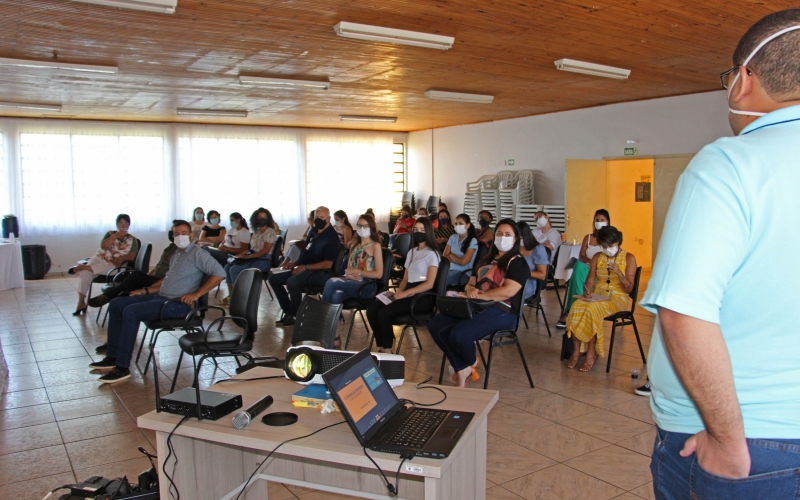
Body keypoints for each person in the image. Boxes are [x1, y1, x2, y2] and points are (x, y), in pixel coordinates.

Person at [643, 10, 800, 498]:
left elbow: (684, 312)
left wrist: (727, 441)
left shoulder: (731, 164)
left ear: (743, 80)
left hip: (752, 441)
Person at [87, 220, 225, 384]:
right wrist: (145, 291)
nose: (179, 236)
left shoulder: (198, 253)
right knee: (117, 303)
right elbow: (166, 280)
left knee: (131, 312)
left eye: (183, 233)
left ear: (190, 235)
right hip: (161, 297)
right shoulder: (177, 254)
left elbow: (219, 273)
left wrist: (196, 294)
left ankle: (122, 367)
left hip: (177, 305)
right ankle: (112, 356)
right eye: (176, 234)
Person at [427, 219, 531, 387]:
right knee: (436, 324)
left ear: (516, 239)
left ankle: (466, 365)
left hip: (503, 311)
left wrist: (482, 296)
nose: (502, 237)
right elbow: (471, 282)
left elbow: (508, 291)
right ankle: (463, 366)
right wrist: (469, 290)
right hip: (475, 306)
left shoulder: (517, 262)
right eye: (499, 233)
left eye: (507, 234)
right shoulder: (485, 259)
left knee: (459, 335)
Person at [565, 226, 637, 372]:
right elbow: (591, 280)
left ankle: (591, 353)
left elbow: (629, 289)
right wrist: (587, 291)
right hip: (598, 295)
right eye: (604, 246)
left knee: (592, 310)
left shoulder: (629, 258)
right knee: (577, 306)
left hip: (617, 298)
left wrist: (619, 272)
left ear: (618, 242)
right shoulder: (598, 257)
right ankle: (577, 350)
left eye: (610, 246)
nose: (607, 249)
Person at [366, 217, 440, 353]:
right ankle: (381, 345)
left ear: (429, 232)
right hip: (407, 292)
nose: (419, 233)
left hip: (422, 297)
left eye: (422, 230)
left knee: (384, 313)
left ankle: (387, 349)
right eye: (416, 229)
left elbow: (429, 284)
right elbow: (405, 278)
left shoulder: (432, 254)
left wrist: (405, 294)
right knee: (372, 310)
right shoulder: (412, 252)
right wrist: (399, 292)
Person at [268, 206, 342, 326]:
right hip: (303, 269)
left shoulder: (332, 238)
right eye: (316, 217)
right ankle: (289, 312)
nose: (319, 220)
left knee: (292, 282)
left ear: (328, 219)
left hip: (320, 274)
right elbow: (305, 252)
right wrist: (295, 263)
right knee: (273, 279)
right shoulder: (313, 231)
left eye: (322, 217)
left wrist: (304, 267)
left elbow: (328, 264)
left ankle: (296, 316)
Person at [322, 214, 385, 346]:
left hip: (367, 285)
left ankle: (323, 324)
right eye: (360, 226)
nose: (362, 228)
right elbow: (349, 269)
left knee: (331, 282)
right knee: (336, 295)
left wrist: (359, 272)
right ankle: (335, 337)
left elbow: (379, 274)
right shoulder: (354, 246)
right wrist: (349, 275)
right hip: (352, 282)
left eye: (366, 226)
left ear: (371, 227)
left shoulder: (375, 246)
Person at [68, 214, 139, 316]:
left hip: (115, 265)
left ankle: (82, 266)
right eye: (120, 223)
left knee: (89, 269)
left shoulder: (133, 240)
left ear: (129, 225)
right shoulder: (110, 234)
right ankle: (81, 303)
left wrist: (121, 258)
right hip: (100, 259)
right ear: (117, 225)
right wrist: (115, 236)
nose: (123, 225)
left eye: (126, 223)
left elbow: (132, 257)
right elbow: (103, 246)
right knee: (85, 273)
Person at [557, 209, 610, 328]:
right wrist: (590, 261)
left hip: (600, 271)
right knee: (578, 266)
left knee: (577, 275)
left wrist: (596, 263)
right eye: (597, 220)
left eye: (602, 220)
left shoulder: (609, 239)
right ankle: (576, 309)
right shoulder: (589, 237)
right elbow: (581, 255)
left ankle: (572, 310)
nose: (599, 222)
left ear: (607, 222)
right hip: (586, 266)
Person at [219, 210, 278, 306]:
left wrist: (248, 257)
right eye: (259, 217)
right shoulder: (257, 231)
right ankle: (231, 295)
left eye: (264, 217)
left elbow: (264, 251)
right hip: (254, 257)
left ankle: (240, 298)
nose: (262, 219)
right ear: (255, 219)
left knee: (235, 269)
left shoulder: (270, 232)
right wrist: (242, 254)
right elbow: (252, 248)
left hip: (263, 260)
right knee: (227, 267)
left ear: (268, 219)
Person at [443, 213, 478, 287]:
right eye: (456, 223)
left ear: (468, 225)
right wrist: (456, 258)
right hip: (449, 268)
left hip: (463, 272)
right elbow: (445, 255)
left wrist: (451, 255)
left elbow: (463, 262)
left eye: (461, 223)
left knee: (441, 280)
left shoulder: (472, 241)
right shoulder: (453, 237)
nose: (458, 226)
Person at [516, 221, 549, 300]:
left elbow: (542, 275)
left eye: (521, 237)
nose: (519, 239)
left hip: (526, 286)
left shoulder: (537, 249)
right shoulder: (513, 248)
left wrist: (523, 273)